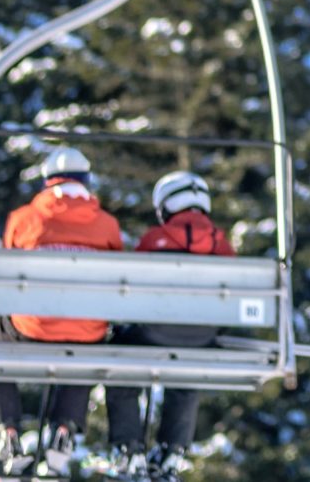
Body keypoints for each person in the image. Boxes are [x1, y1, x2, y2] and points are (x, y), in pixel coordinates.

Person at [0, 145, 125, 477]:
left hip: (33, 325)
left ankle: (7, 429)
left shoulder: (24, 218)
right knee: (86, 340)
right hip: (87, 330)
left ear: (47, 182)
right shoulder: (106, 225)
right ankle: (65, 429)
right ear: (86, 181)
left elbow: (8, 270)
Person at [106, 171, 236, 479]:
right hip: (202, 335)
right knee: (188, 369)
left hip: (155, 332)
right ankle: (172, 450)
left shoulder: (156, 238)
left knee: (121, 363)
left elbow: (131, 288)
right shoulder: (221, 242)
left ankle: (129, 448)